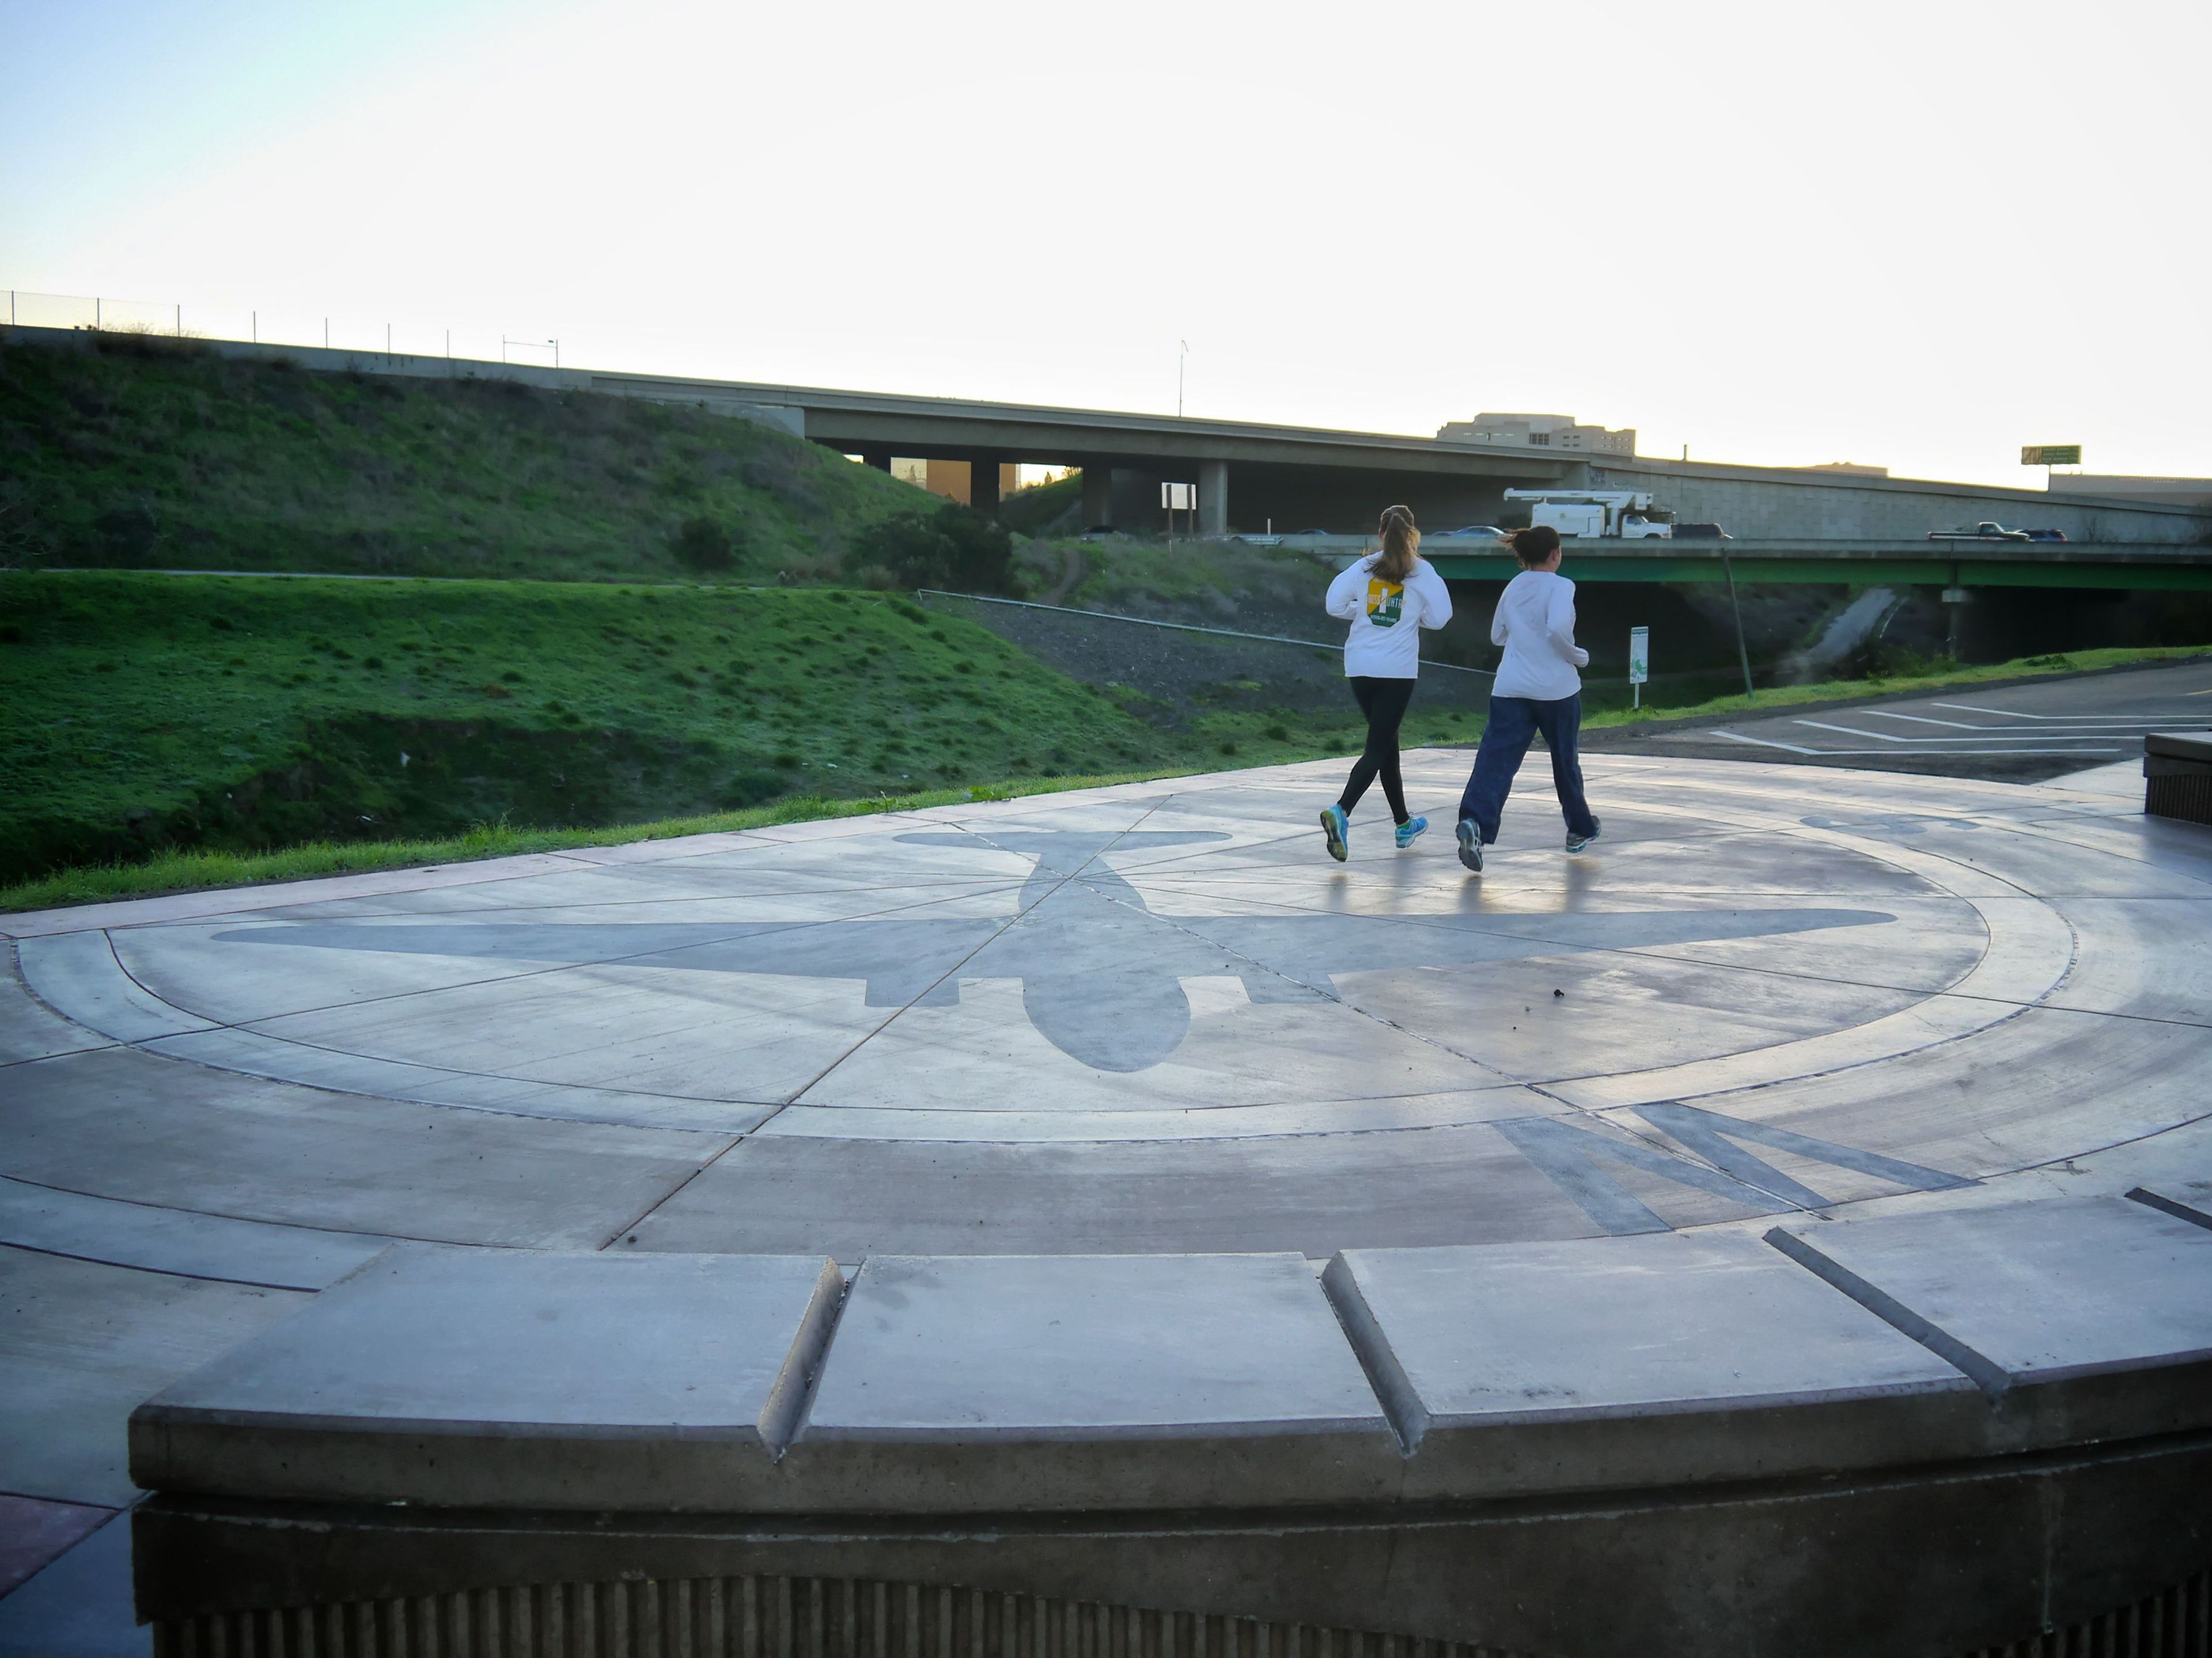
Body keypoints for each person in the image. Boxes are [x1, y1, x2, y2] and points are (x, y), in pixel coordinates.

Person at [1454, 524, 1601, 873]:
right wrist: (1578, 656)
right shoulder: (1562, 585)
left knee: (1495, 761)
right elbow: (1557, 629)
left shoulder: (1514, 586)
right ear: (1556, 554)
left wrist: (1523, 639)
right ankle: (1579, 828)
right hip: (1556, 689)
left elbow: (1497, 635)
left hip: (1510, 687)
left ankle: (1475, 822)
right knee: (1565, 761)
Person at [1318, 504, 1453, 861]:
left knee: (1386, 742)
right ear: (1412, 535)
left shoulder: (1363, 567)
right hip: (1397, 671)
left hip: (1360, 667)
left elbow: (1334, 605)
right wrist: (1415, 617)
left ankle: (1403, 823)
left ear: (1381, 534)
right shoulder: (1422, 571)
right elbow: (1441, 618)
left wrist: (1360, 611)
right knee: (1378, 747)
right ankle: (1341, 811)